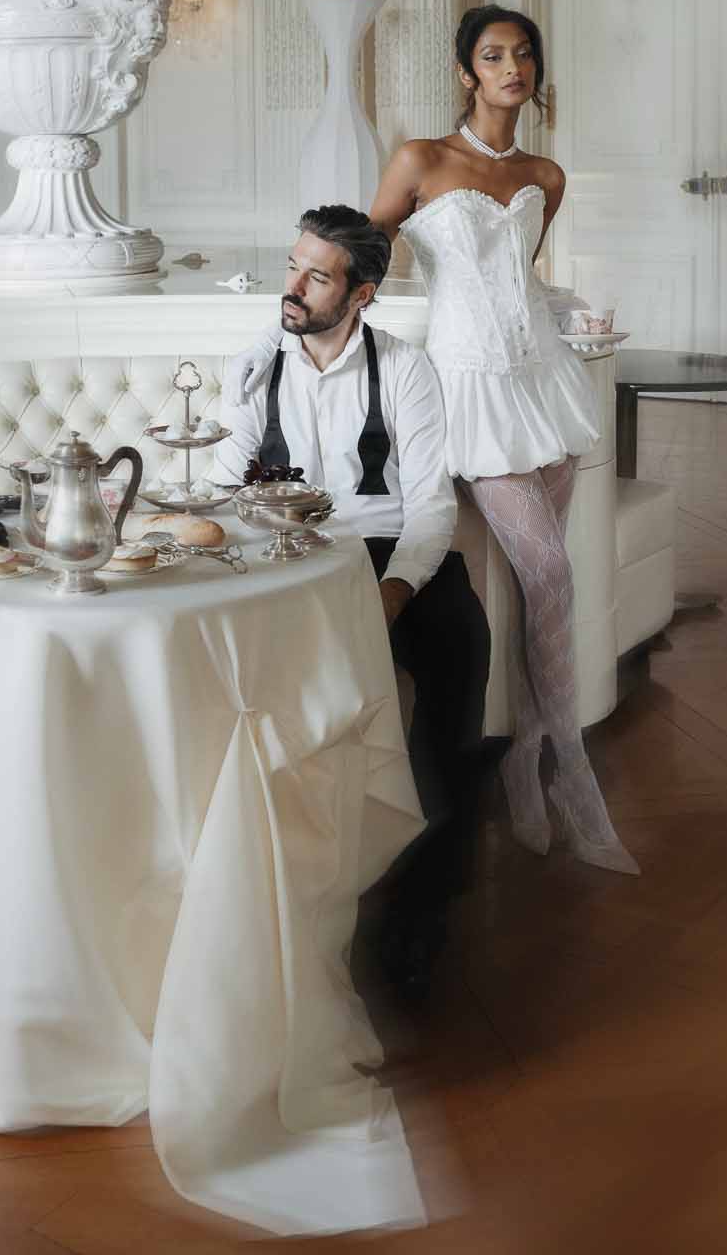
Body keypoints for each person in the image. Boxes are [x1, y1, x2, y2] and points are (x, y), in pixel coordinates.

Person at [368, 6, 637, 876]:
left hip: (544, 385)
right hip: (470, 391)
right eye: (492, 55)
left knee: (542, 590)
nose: (510, 66)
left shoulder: (545, 174)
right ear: (465, 71)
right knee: (551, 573)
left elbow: (519, 279)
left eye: (523, 54)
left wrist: (573, 313)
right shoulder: (420, 160)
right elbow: (365, 256)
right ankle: (572, 778)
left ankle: (524, 759)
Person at [212, 205, 493, 1001]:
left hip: (388, 552)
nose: (292, 288)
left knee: (457, 654)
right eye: (292, 265)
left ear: (362, 293)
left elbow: (433, 504)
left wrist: (393, 594)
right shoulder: (254, 364)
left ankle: (423, 903)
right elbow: (225, 479)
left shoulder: (404, 369)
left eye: (316, 275)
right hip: (289, 555)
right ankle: (271, 887)